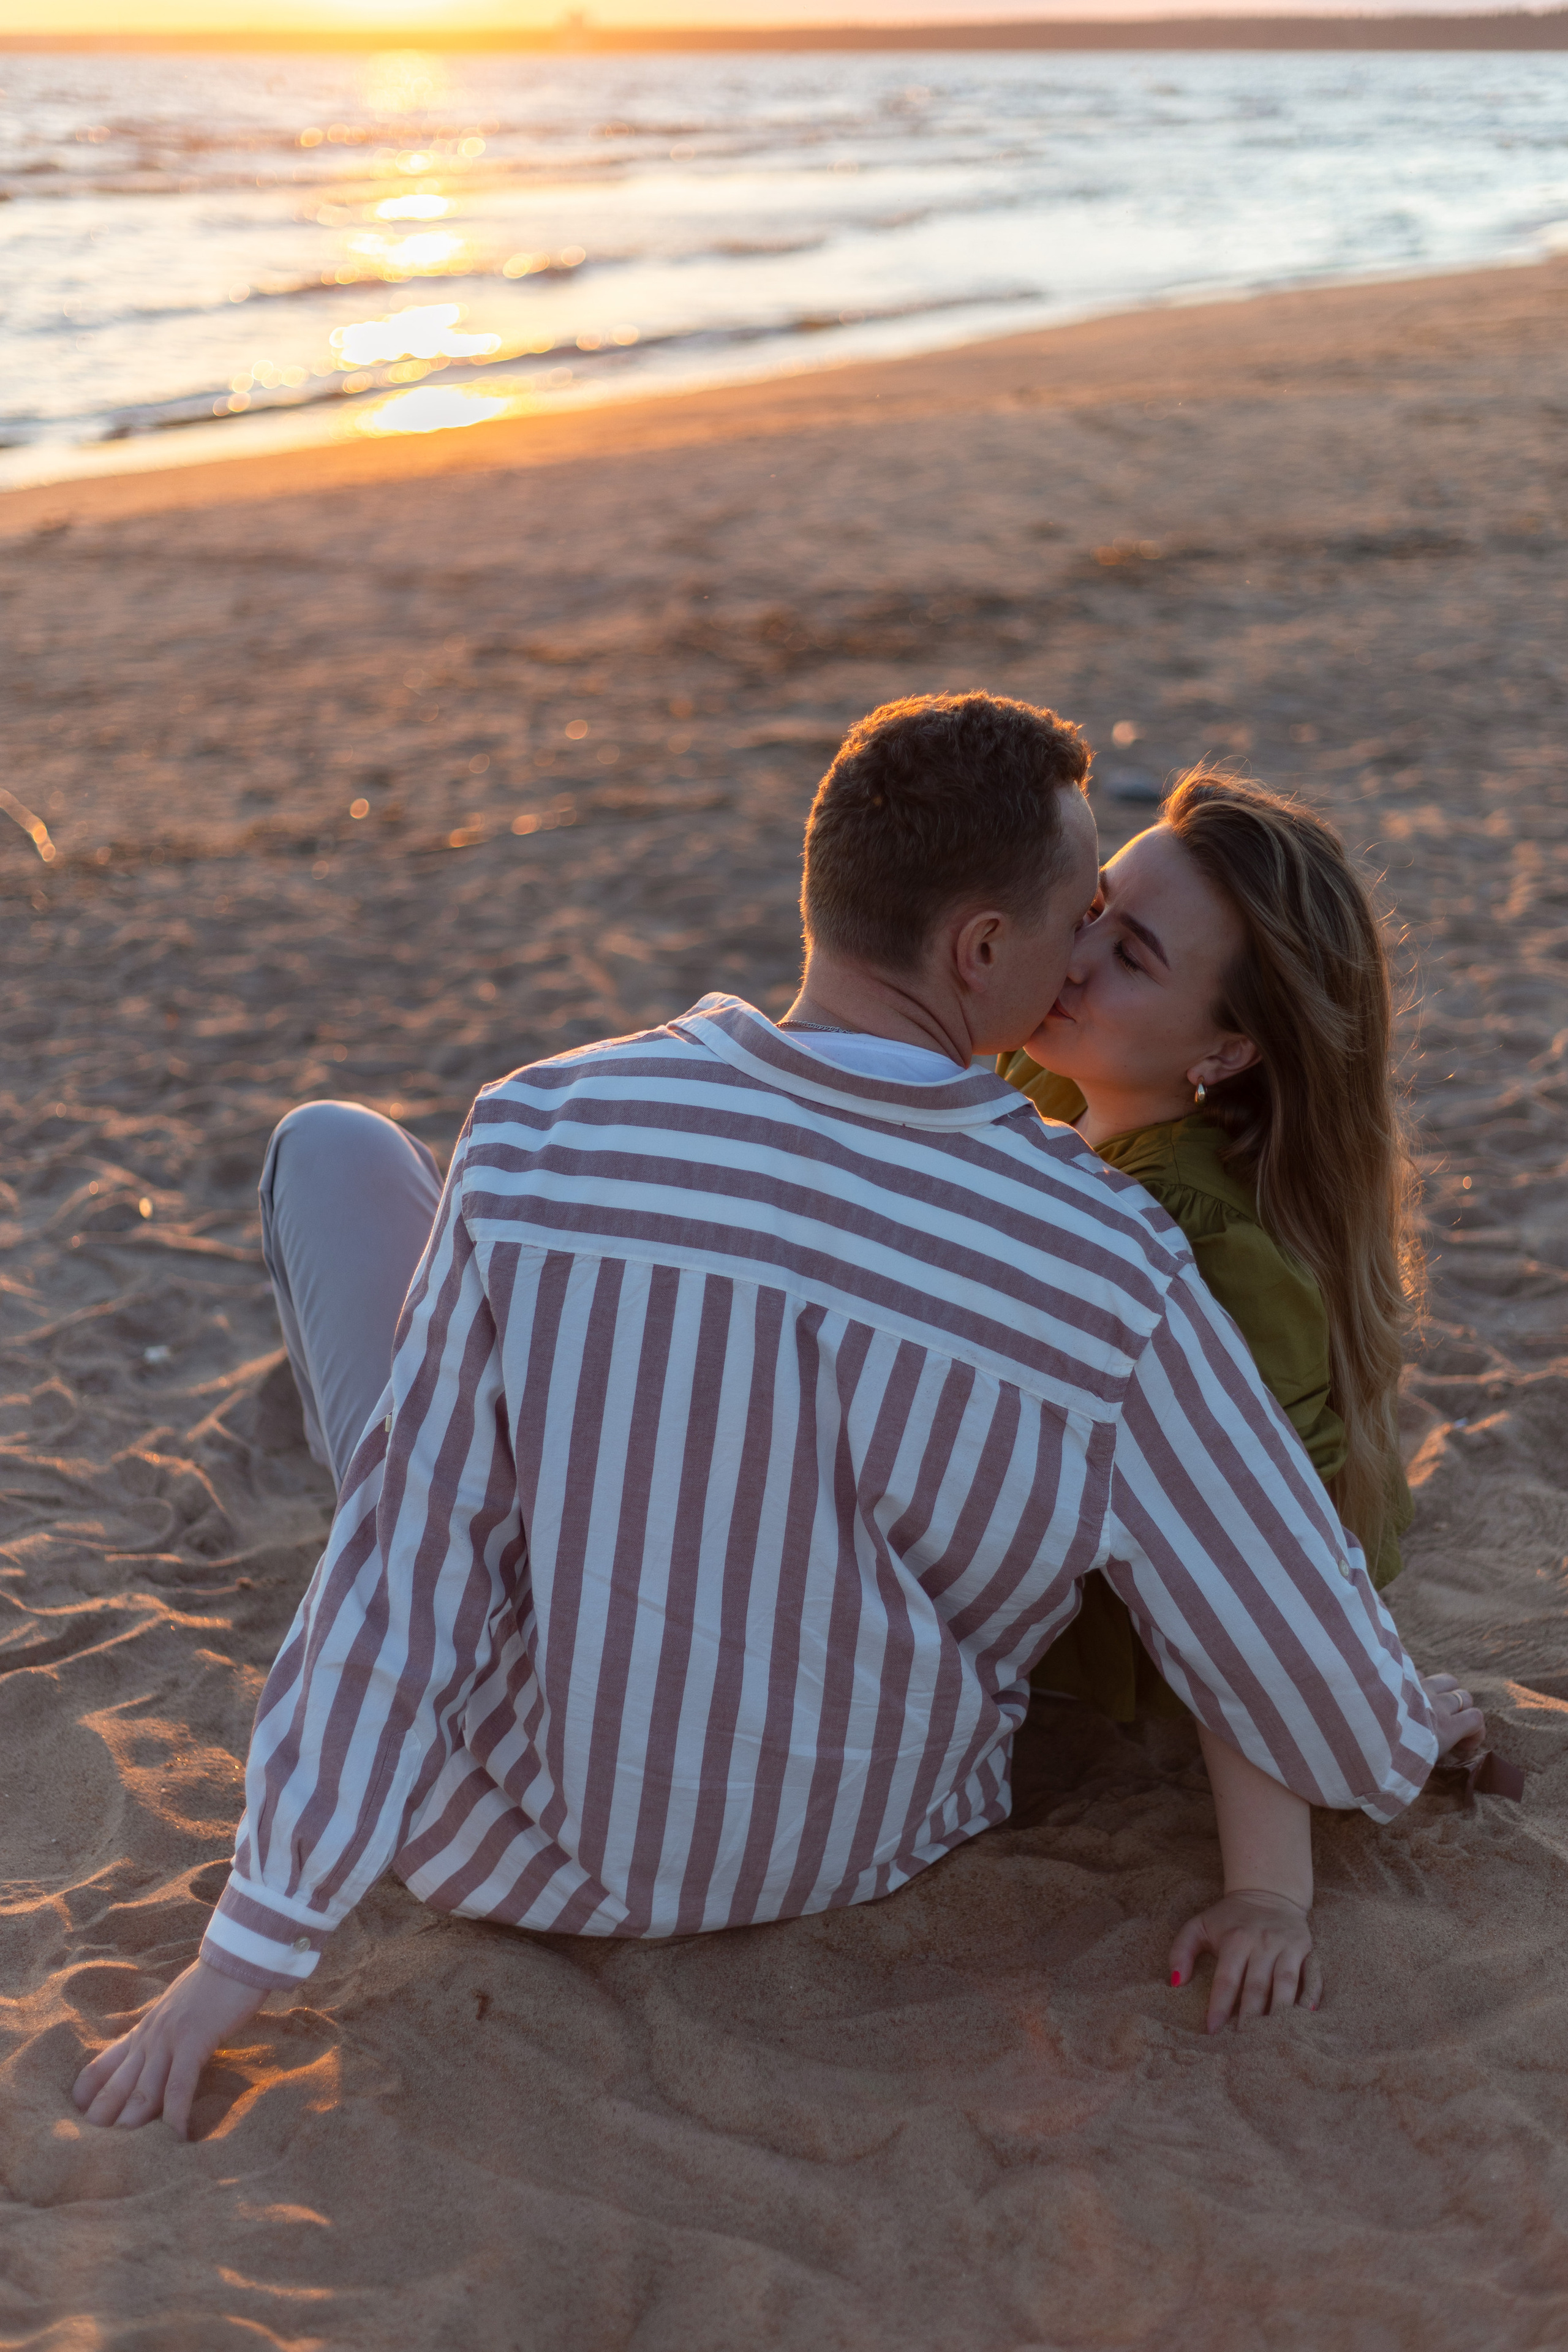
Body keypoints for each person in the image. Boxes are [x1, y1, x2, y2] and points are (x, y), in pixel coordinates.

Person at [73, 693, 1472, 2138]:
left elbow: (403, 1573)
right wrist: (1391, 1735)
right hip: (871, 1836)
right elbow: (1281, 1619)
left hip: (527, 1842)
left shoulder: (535, 1124)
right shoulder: (1108, 1261)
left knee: (337, 1155)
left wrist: (238, 1960)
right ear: (981, 950)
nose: (1075, 962)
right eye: (1078, 919)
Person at [998, 768, 1477, 2024]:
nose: (1077, 955)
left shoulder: (1201, 1241)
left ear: (1223, 1050)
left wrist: (1270, 1892)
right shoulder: (1051, 1089)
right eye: (1091, 908)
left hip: (1211, 1615)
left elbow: (1252, 1555)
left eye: (1133, 956)